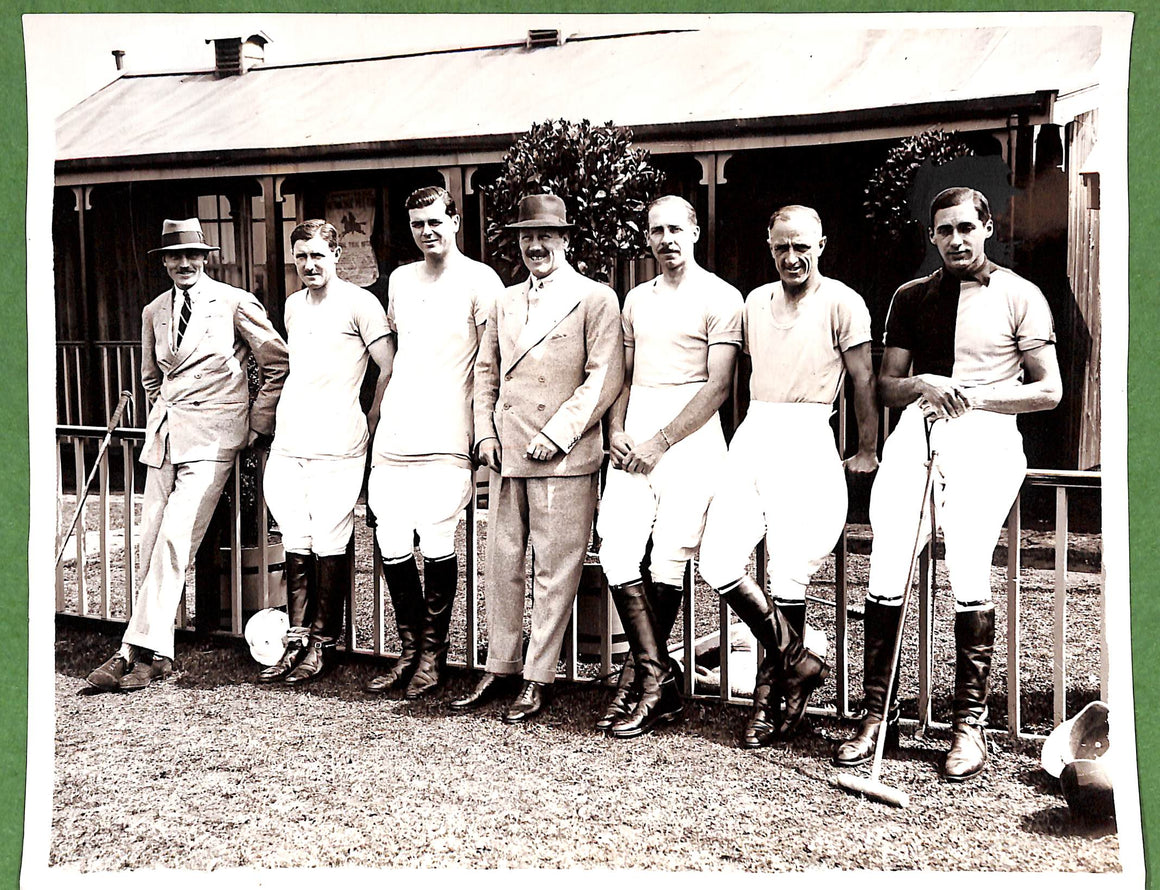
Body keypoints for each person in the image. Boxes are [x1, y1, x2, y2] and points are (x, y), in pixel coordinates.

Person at [834, 187, 1061, 782]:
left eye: (966, 227)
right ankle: (874, 719)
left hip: (987, 437)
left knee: (967, 569)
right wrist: (927, 386)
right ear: (931, 237)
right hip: (918, 432)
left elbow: (1049, 391)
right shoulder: (911, 297)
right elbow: (887, 384)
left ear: (987, 227)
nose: (956, 240)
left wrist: (976, 396)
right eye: (944, 231)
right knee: (885, 564)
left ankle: (968, 725)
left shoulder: (1020, 294)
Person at [698, 205, 879, 747]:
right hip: (757, 429)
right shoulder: (755, 302)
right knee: (719, 559)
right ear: (769, 245)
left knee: (788, 573)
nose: (792, 257)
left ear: (822, 243)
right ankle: (798, 658)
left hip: (808, 430)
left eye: (802, 245)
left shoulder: (843, 302)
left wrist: (866, 448)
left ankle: (770, 702)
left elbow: (864, 380)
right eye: (782, 247)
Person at [86, 218, 289, 692]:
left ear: (205, 257)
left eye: (192, 255)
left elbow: (277, 362)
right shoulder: (154, 310)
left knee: (176, 539)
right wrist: (163, 413)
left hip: (214, 438)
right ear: (164, 263)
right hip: (167, 437)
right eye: (174, 257)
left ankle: (129, 652)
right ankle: (154, 653)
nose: (183, 263)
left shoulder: (234, 303)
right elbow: (151, 378)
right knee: (151, 541)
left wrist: (254, 424)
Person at [452, 193, 624, 723]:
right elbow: (486, 372)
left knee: (554, 569)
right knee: (503, 563)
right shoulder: (505, 302)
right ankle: (500, 664)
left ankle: (537, 675)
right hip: (507, 452)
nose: (534, 246)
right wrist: (485, 435)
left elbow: (604, 378)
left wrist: (560, 433)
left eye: (545, 236)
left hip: (562, 455)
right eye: (526, 236)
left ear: (566, 240)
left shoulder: (596, 299)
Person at [594, 195, 743, 739]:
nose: (666, 240)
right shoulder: (636, 298)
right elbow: (624, 375)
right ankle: (656, 680)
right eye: (656, 231)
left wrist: (660, 441)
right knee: (616, 549)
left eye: (676, 229)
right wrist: (616, 430)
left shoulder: (722, 298)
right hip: (636, 431)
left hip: (690, 437)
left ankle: (643, 684)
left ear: (696, 231)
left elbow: (719, 385)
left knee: (668, 557)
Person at [361, 187, 504, 699]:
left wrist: (483, 428)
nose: (427, 232)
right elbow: (395, 356)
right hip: (398, 432)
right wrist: (376, 414)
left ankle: (432, 658)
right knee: (392, 541)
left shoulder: (481, 281)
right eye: (418, 224)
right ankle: (408, 651)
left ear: (455, 220)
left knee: (438, 541)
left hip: (448, 433)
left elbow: (491, 364)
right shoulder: (400, 280)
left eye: (435, 222)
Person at [257, 219, 392, 685]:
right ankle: (296, 641)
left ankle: (322, 644)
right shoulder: (293, 306)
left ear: (337, 255)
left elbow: (389, 367)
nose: (309, 265)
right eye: (301, 257)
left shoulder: (361, 304)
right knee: (295, 537)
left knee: (331, 540)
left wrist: (372, 418)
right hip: (292, 439)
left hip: (339, 442)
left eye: (317, 255)